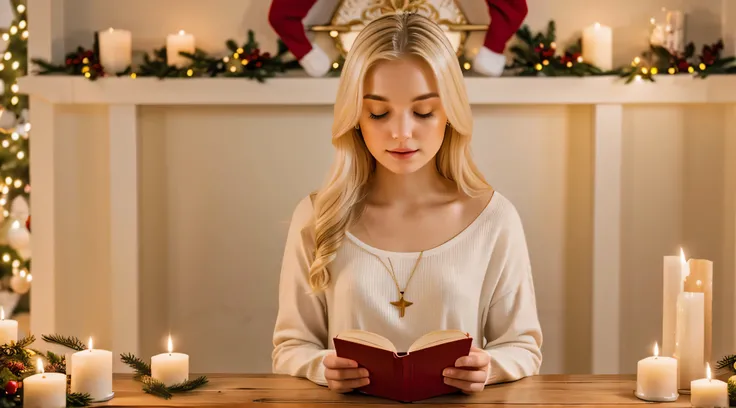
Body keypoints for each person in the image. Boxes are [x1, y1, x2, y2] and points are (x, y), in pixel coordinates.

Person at [271, 11, 542, 395]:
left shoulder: (493, 219)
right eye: (379, 113)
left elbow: (523, 346)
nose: (401, 132)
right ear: (355, 118)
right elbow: (290, 347)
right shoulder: (318, 216)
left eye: (423, 111)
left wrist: (489, 367)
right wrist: (321, 367)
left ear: (449, 113)